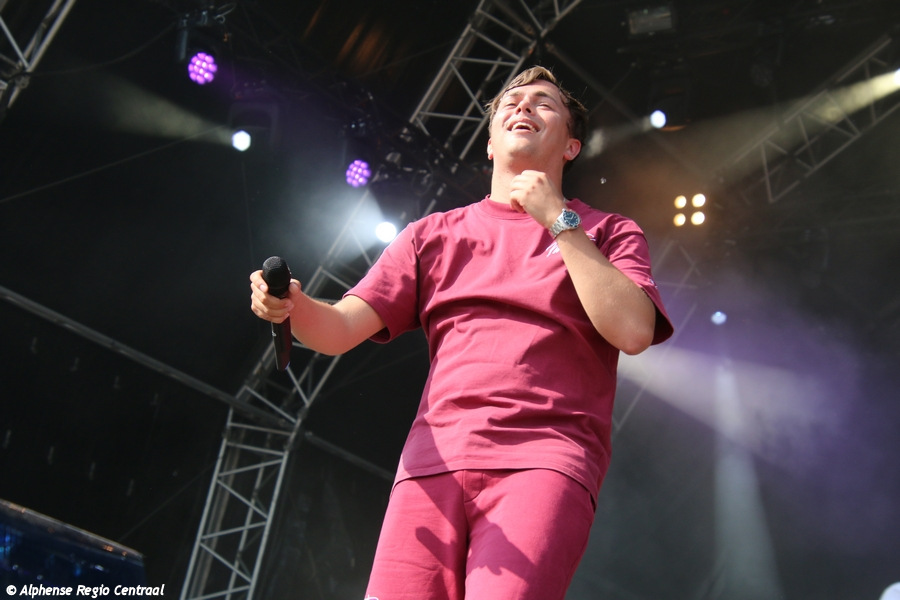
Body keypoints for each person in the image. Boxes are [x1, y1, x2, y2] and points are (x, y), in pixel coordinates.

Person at [250, 66, 674, 600]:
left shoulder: (608, 232)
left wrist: (558, 220)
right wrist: (292, 305)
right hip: (431, 466)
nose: (523, 107)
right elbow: (338, 330)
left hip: (542, 460)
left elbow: (633, 330)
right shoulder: (431, 235)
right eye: (510, 102)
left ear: (571, 146)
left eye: (544, 103)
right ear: (491, 144)